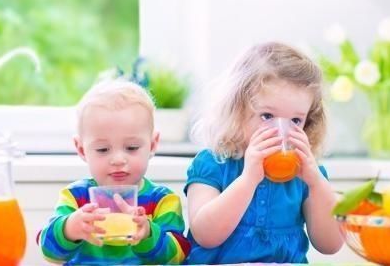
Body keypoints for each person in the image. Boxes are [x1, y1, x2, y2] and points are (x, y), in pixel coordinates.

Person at [185, 42, 343, 264]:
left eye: (296, 120)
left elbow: (330, 244)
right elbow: (205, 235)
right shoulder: (213, 163)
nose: (282, 132)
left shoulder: (308, 175)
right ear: (237, 111)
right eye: (267, 116)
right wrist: (249, 179)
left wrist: (316, 183)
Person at [39, 80, 190, 265]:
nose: (118, 159)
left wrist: (148, 234)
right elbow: (48, 253)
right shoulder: (75, 197)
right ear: (81, 149)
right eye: (103, 149)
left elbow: (178, 255)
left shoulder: (162, 200)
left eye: (132, 147)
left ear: (152, 145)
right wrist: (69, 228)